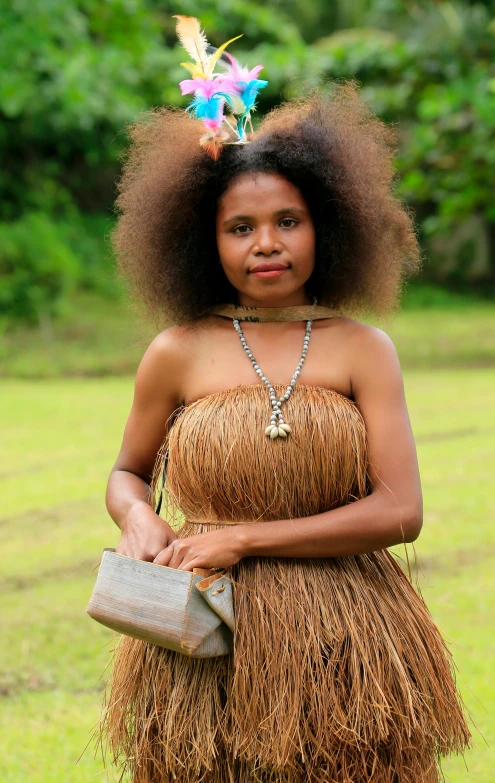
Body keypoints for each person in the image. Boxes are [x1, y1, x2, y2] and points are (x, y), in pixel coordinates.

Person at [96, 18, 471, 783]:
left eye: (286, 222)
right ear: (205, 242)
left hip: (348, 640)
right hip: (200, 637)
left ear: (324, 229)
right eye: (240, 227)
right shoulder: (177, 349)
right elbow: (127, 472)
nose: (265, 243)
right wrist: (138, 515)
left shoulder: (364, 347)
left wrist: (243, 539)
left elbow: (401, 510)